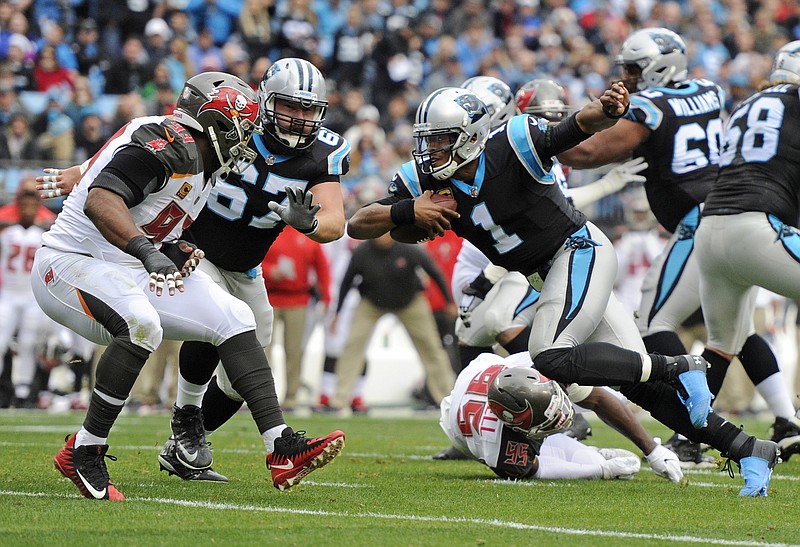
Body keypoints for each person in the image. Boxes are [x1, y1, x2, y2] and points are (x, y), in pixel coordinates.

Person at [345, 85, 780, 495]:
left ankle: (678, 364)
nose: (428, 151)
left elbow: (572, 128)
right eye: (426, 140)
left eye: (439, 141)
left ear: (470, 137)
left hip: (578, 250)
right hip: (549, 273)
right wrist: (408, 209)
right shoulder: (420, 180)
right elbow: (358, 222)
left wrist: (604, 112)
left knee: (550, 355)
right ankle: (746, 449)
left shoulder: (511, 142)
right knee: (638, 385)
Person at [31, 71, 344, 500]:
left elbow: (157, 218)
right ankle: (85, 449)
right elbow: (102, 198)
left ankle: (280, 446)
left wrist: (173, 248)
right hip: (71, 262)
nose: (246, 143)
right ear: (216, 123)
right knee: (142, 324)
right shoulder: (168, 142)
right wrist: (148, 250)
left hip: (130, 266)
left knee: (236, 316)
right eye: (242, 131)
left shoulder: (207, 166)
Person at [556, 27, 798, 465]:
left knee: (655, 320)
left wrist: (549, 143)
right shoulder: (709, 90)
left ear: (659, 67)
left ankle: (693, 425)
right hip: (725, 209)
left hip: (701, 220)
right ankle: (781, 419)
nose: (626, 76)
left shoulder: (650, 106)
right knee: (730, 331)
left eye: (633, 68)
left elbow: (591, 153)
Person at [694, 39, 800, 462]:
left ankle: (689, 435)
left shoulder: (748, 104)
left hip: (712, 231)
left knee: (722, 343)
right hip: (758, 228)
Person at [442, 351, 676, 482]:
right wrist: (600, 472)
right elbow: (537, 469)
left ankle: (587, 452)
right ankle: (591, 456)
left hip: (485, 379)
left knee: (612, 397)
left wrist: (651, 450)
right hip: (460, 427)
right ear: (516, 424)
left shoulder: (534, 368)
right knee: (591, 465)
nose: (562, 419)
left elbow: (597, 399)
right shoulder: (495, 443)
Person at [329, 231, 456, 412]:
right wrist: (338, 312)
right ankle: (339, 400)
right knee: (352, 345)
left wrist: (448, 302)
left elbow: (434, 272)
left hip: (410, 301)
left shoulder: (408, 248)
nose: (382, 236)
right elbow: (347, 281)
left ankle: (448, 399)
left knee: (431, 347)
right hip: (372, 302)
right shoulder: (362, 252)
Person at [262, 227, 331, 410]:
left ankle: (291, 397)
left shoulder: (308, 236)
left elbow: (322, 267)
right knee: (263, 350)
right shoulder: (269, 230)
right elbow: (253, 260)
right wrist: (269, 271)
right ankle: (262, 397)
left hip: (298, 299)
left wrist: (326, 298)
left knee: (294, 351)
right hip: (269, 297)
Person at [0, 186, 50, 407]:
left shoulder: (45, 232)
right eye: (24, 205)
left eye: (32, 205)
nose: (28, 209)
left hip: (32, 295)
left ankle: (23, 391)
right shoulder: (7, 232)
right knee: (0, 342)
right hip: (8, 293)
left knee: (29, 343)